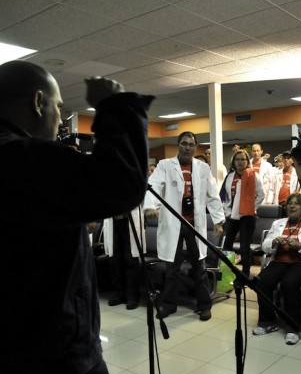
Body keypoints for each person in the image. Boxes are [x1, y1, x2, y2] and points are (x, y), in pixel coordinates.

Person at [0, 60, 152, 374]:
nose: (60, 119)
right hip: (51, 358)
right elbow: (123, 186)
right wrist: (115, 106)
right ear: (39, 102)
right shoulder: (22, 158)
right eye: (58, 106)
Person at [144, 131, 225, 321]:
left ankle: (204, 305)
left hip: (194, 224)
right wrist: (150, 206)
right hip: (174, 222)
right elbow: (153, 185)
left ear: (195, 147)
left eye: (191, 144)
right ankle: (169, 304)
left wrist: (219, 220)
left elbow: (212, 194)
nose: (187, 147)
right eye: (184, 143)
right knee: (172, 267)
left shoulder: (203, 167)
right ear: (178, 145)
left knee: (200, 266)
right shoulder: (165, 165)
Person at [253, 192, 301, 345]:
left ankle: (292, 328)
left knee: (290, 283)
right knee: (262, 281)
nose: (292, 206)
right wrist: (273, 242)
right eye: (289, 203)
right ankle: (268, 322)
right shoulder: (278, 224)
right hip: (280, 261)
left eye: (296, 203)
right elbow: (265, 246)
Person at [220, 149, 264, 275]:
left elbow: (261, 195)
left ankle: (245, 274)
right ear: (233, 162)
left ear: (247, 161)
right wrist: (227, 211)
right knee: (227, 245)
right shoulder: (229, 176)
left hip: (248, 216)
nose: (240, 162)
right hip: (232, 215)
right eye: (237, 159)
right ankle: (226, 273)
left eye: (243, 159)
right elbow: (224, 196)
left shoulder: (253, 175)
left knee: (245, 247)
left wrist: (251, 207)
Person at [103, 205, 145, 310]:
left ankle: (132, 296)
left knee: (130, 260)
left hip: (130, 219)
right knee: (115, 260)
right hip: (113, 220)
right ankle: (119, 294)